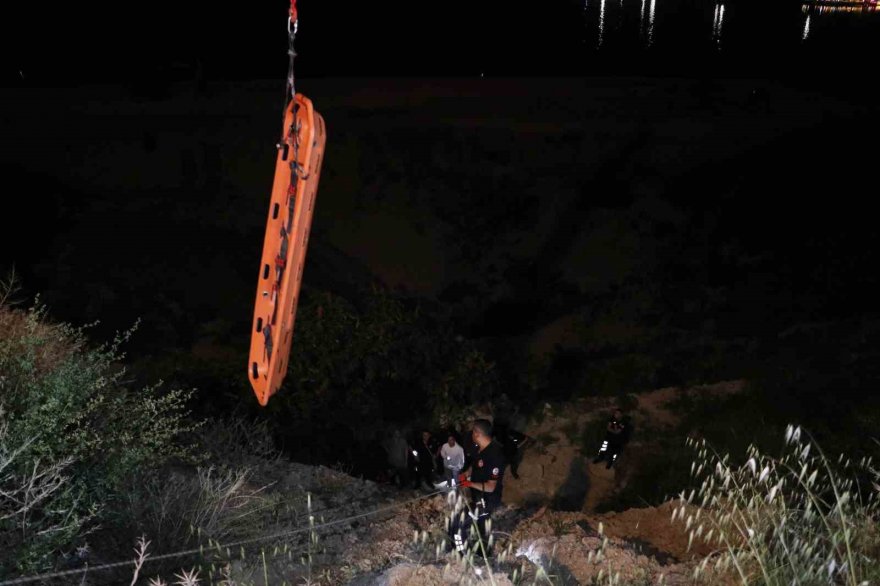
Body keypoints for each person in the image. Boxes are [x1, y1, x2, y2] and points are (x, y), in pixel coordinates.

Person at [449, 419, 506, 557]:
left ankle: (460, 554)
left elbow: (491, 487)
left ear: (477, 433)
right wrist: (466, 475)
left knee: (458, 523)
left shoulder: (496, 454)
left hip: (488, 500)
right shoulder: (478, 448)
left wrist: (469, 484)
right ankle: (482, 554)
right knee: (481, 529)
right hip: (477, 497)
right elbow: (474, 467)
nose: (471, 434)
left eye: (472, 431)